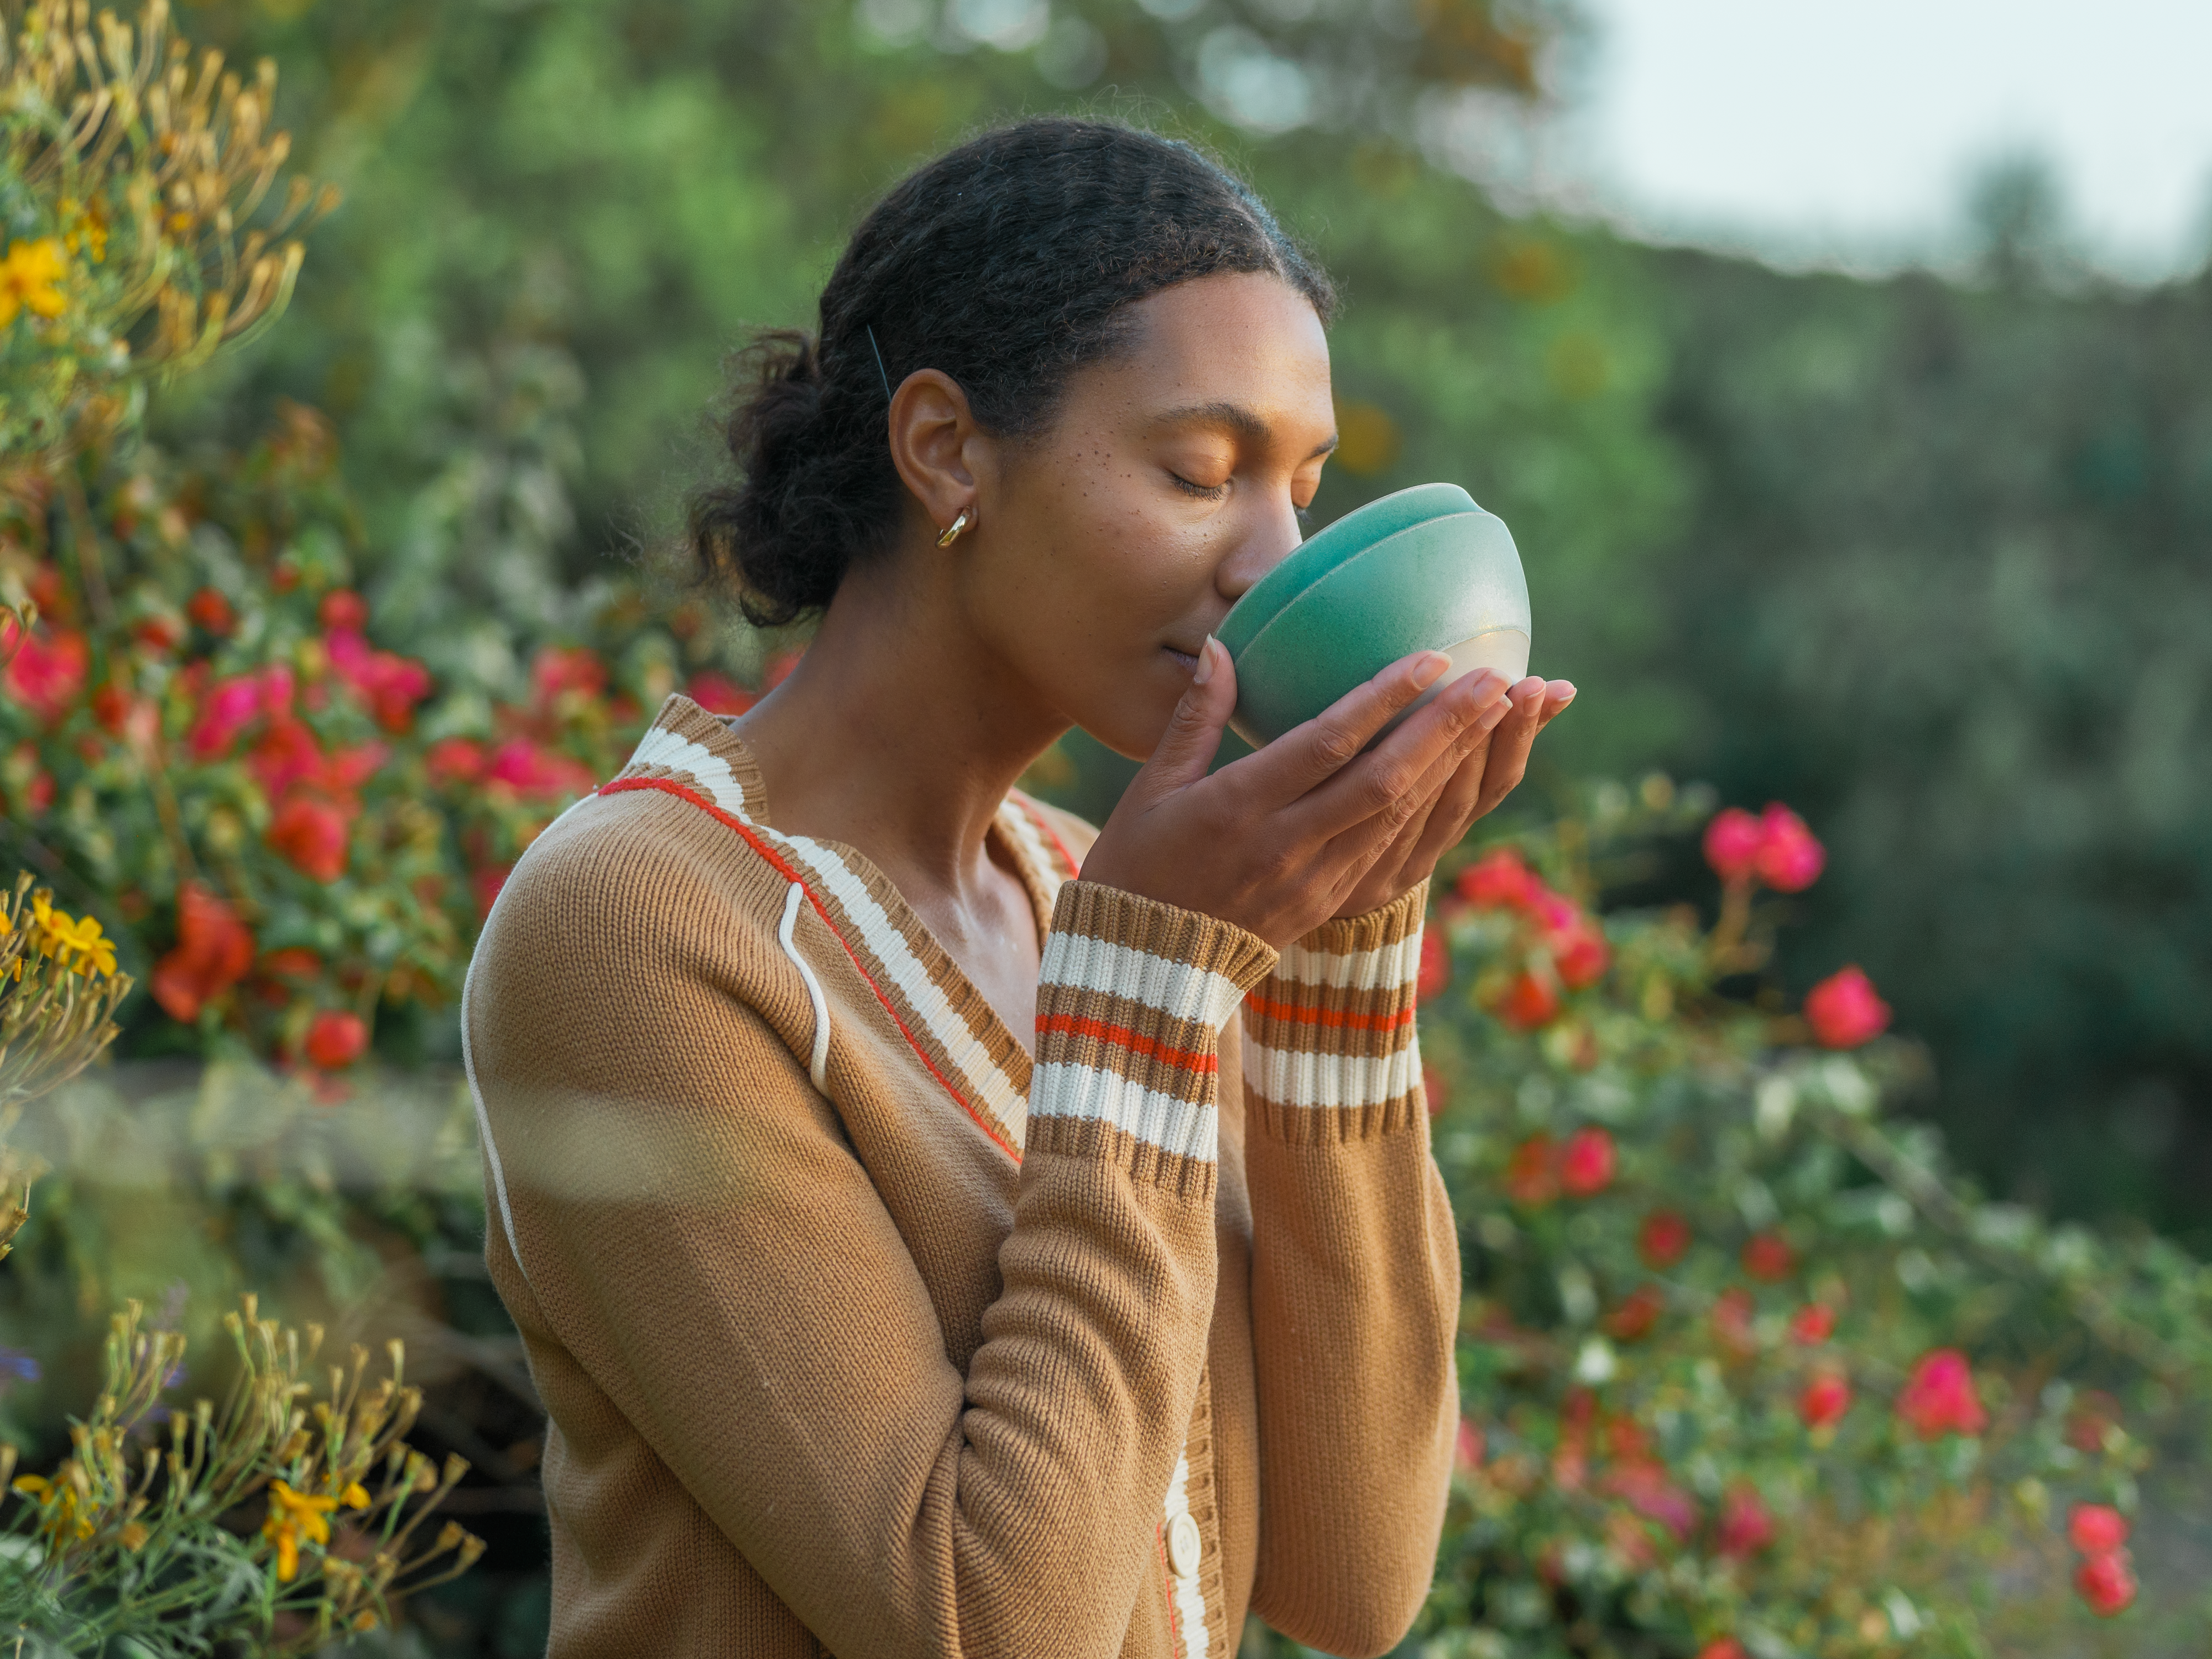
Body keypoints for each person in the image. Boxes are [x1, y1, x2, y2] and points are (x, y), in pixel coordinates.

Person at [464, 116, 1573, 1659]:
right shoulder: (643, 928)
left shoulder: (1092, 891)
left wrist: (1342, 938)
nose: (1277, 561)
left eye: (1302, 491)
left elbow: (1351, 1578)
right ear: (944, 450)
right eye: (1200, 470)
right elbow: (991, 1627)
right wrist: (1147, 993)